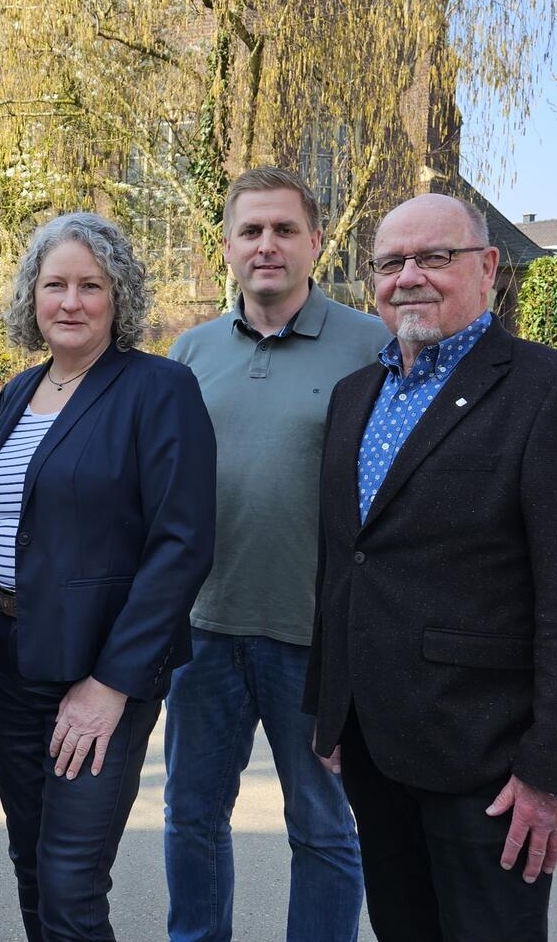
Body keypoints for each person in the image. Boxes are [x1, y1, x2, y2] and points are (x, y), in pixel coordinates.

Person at [305, 193, 557, 941]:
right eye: (391, 262)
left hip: (490, 765)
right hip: (376, 748)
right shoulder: (356, 396)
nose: (409, 275)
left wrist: (556, 771)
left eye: (434, 257)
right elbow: (343, 560)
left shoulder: (552, 392)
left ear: (486, 269)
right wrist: (329, 705)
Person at [0, 211, 216, 942]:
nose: (70, 301)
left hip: (100, 668)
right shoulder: (18, 393)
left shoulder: (158, 388)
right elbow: (0, 527)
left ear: (118, 297)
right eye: (54, 284)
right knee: (31, 864)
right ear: (31, 296)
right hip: (13, 660)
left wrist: (109, 686)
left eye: (90, 286)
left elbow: (182, 544)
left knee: (71, 880)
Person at [163, 168, 379, 941]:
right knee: (191, 816)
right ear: (226, 245)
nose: (267, 245)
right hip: (201, 631)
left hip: (317, 640)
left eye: (285, 229)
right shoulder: (189, 352)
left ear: (316, 242)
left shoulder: (372, 344)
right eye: (251, 231)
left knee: (322, 826)